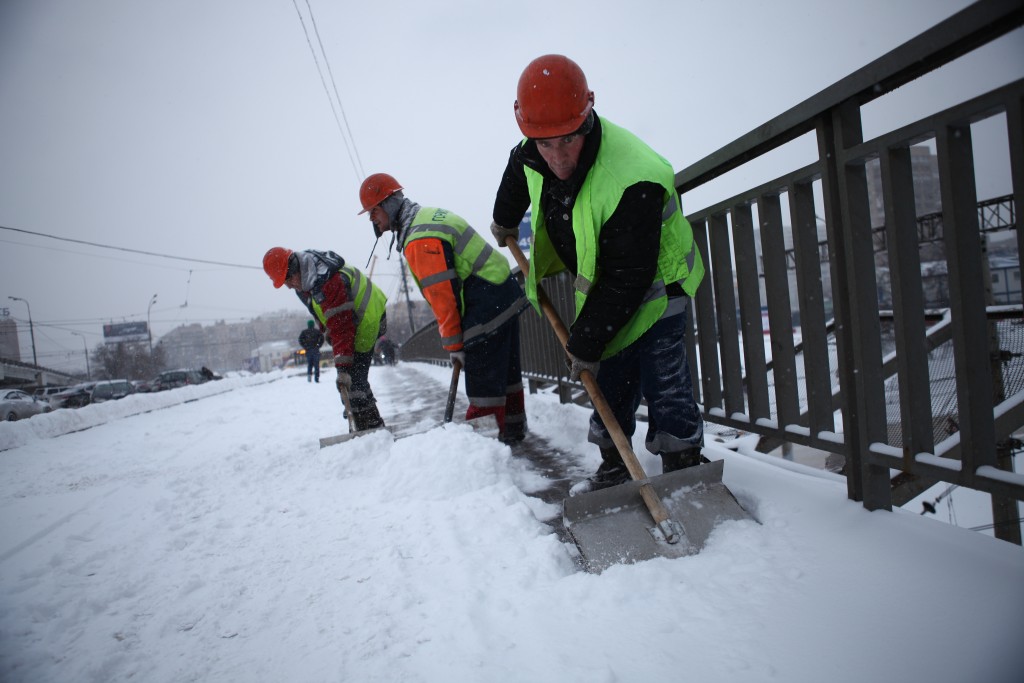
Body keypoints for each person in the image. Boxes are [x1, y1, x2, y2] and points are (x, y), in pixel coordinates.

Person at [490, 54, 706, 493]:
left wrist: (585, 341)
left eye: (566, 141)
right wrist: (504, 219)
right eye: (544, 144)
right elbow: (517, 175)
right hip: (612, 284)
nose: (557, 157)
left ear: (586, 119)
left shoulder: (632, 177)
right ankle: (615, 464)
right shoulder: (535, 149)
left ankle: (684, 464)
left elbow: (628, 277)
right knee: (610, 376)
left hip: (658, 282)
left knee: (664, 376)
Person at [358, 173, 529, 443]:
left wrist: (453, 346)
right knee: (506, 376)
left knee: (484, 385)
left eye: (374, 211)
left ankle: (484, 451)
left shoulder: (419, 238)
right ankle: (513, 431)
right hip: (503, 293)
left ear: (389, 204)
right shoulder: (429, 216)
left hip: (484, 305)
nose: (372, 219)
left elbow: (443, 297)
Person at [263, 247, 389, 432]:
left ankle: (370, 432)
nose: (288, 286)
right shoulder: (306, 282)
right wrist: (328, 334)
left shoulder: (327, 280)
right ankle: (369, 428)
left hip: (365, 320)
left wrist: (342, 367)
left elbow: (342, 325)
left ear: (295, 268)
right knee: (353, 383)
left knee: (355, 383)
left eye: (288, 280)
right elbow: (323, 315)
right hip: (353, 321)